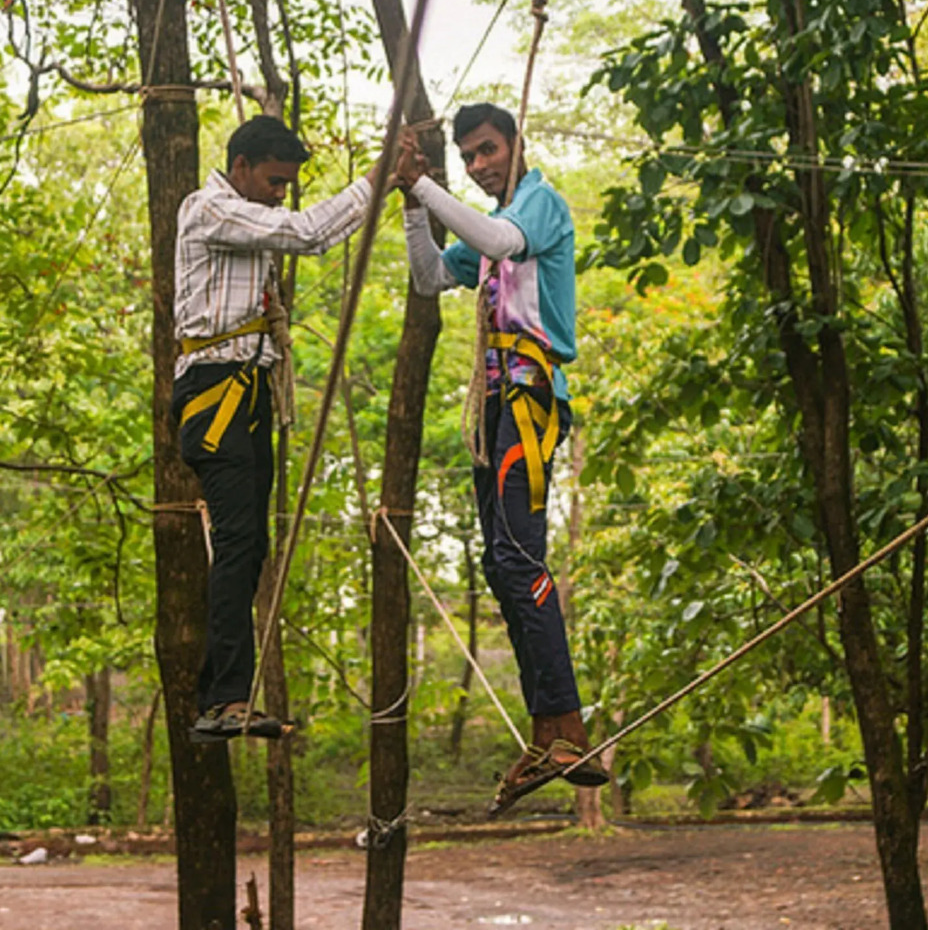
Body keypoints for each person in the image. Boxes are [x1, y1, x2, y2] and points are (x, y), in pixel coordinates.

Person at [395, 103, 608, 813]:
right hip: (494, 404)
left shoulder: (535, 205)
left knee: (520, 558)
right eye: (470, 158)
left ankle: (568, 724)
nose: (481, 165)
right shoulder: (485, 234)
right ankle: (549, 729)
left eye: (488, 151)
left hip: (529, 396)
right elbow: (430, 276)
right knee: (500, 566)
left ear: (516, 144)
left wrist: (427, 187)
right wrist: (408, 202)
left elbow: (501, 239)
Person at [173, 114, 409, 742]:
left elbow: (289, 230)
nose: (281, 193)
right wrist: (379, 179)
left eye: (287, 184)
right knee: (238, 538)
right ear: (242, 165)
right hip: (215, 392)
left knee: (250, 547)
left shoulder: (246, 217)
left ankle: (228, 697)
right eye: (274, 181)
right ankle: (222, 697)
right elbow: (306, 234)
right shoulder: (208, 209)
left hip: (244, 391)